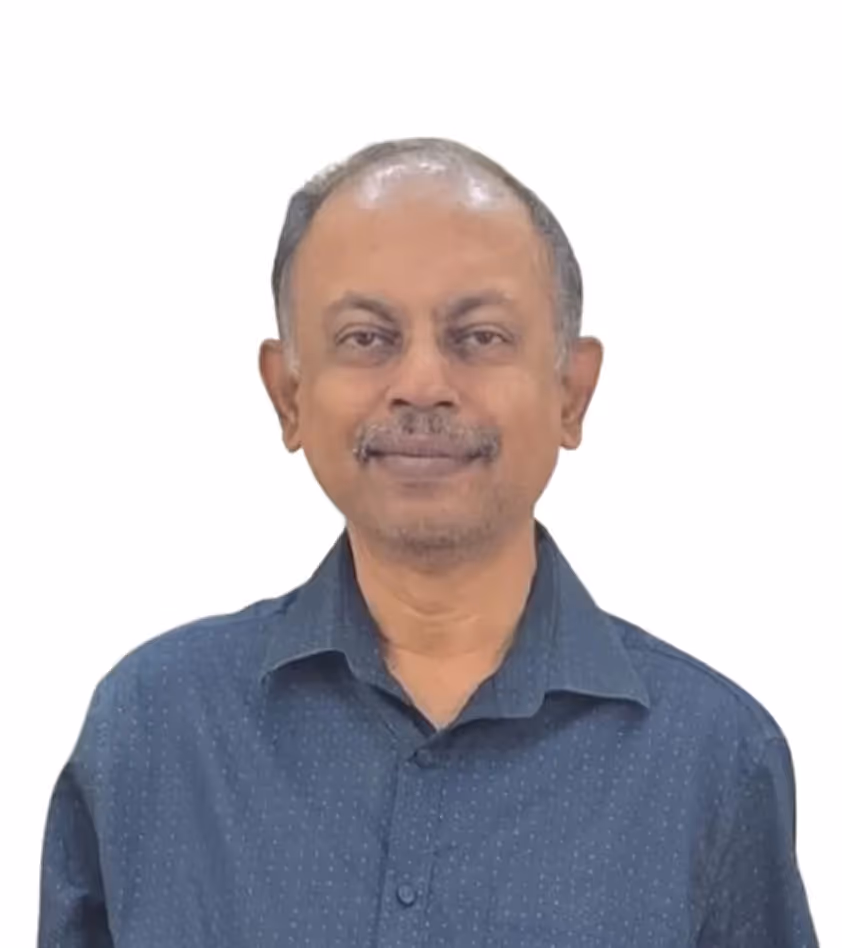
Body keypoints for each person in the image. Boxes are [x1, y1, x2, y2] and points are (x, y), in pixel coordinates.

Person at [38, 138, 818, 947]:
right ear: (288, 395)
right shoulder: (156, 729)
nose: (421, 383)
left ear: (571, 392)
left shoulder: (714, 757)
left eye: (478, 336)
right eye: (365, 338)